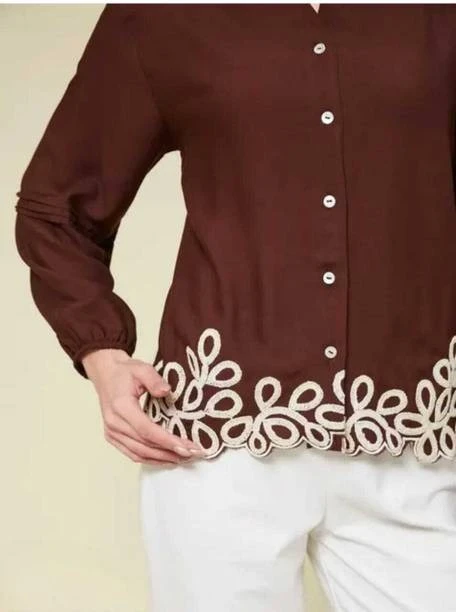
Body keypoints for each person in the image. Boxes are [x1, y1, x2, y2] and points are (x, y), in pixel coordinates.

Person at [14, 3, 456, 611]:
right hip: (217, 447)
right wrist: (101, 353)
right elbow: (55, 204)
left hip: (411, 442)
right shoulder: (163, 15)